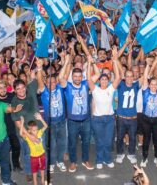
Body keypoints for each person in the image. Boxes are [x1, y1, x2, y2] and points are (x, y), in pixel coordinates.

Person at [58, 36, 94, 172]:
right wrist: (67, 62)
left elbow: (93, 76)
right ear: (72, 77)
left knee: (86, 142)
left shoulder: (86, 83)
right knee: (72, 143)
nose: (77, 78)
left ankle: (85, 160)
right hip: (72, 120)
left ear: (82, 77)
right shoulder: (67, 86)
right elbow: (61, 77)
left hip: (86, 119)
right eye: (75, 76)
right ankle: (73, 162)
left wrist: (90, 62)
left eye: (79, 76)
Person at [87, 46, 121, 169]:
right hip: (97, 119)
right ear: (99, 81)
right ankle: (99, 160)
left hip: (109, 119)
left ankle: (107, 159)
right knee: (100, 141)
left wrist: (115, 60)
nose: (104, 81)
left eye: (106, 79)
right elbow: (88, 79)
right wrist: (90, 64)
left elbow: (117, 77)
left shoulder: (111, 89)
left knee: (108, 141)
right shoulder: (95, 89)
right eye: (102, 79)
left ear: (108, 81)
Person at [36, 58, 67, 173]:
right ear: (46, 83)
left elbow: (63, 76)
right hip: (50, 123)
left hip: (62, 121)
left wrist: (66, 61)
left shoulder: (60, 88)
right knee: (52, 144)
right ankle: (52, 163)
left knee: (62, 143)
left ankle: (60, 161)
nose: (52, 84)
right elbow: (39, 80)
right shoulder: (44, 91)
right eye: (49, 82)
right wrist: (39, 68)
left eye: (54, 82)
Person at [140, 47, 157, 168]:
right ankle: (144, 158)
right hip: (146, 119)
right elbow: (145, 77)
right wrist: (147, 64)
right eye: (152, 84)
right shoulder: (145, 91)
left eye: (156, 84)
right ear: (149, 85)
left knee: (156, 140)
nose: (154, 86)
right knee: (146, 140)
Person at [10, 78, 39, 182]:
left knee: (38, 152)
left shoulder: (30, 90)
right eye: (18, 89)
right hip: (24, 133)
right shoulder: (14, 102)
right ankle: (28, 172)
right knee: (27, 153)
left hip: (37, 129)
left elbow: (38, 81)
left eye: (23, 87)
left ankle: (39, 172)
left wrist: (39, 68)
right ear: (15, 90)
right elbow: (17, 123)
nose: (21, 90)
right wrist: (29, 135)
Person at [115, 69, 139, 165]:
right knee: (120, 137)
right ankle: (120, 154)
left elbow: (145, 77)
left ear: (133, 77)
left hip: (133, 118)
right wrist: (116, 60)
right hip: (121, 118)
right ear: (124, 77)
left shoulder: (136, 86)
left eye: (131, 76)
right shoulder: (121, 85)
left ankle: (131, 154)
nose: (129, 78)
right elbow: (118, 73)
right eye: (127, 76)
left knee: (132, 137)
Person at [19, 113, 48, 185]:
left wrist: (41, 119)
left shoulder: (39, 133)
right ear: (29, 130)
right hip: (34, 158)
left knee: (42, 171)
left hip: (42, 156)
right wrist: (22, 123)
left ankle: (42, 182)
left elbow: (46, 126)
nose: (36, 131)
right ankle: (35, 183)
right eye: (34, 130)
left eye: (36, 129)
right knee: (34, 173)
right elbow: (20, 134)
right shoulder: (28, 137)